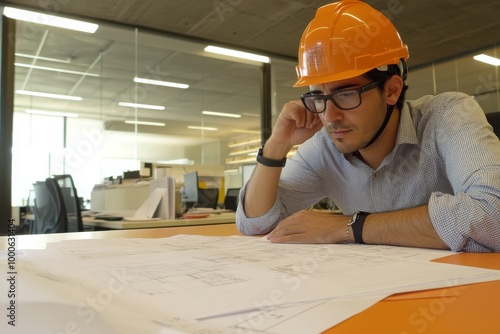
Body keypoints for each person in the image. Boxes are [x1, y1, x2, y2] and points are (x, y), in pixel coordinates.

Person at [235, 0, 500, 252]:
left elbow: (493, 214)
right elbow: (255, 224)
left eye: (346, 94)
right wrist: (276, 146)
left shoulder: (447, 115)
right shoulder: (325, 147)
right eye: (318, 97)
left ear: (391, 90)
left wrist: (349, 227)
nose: (330, 116)